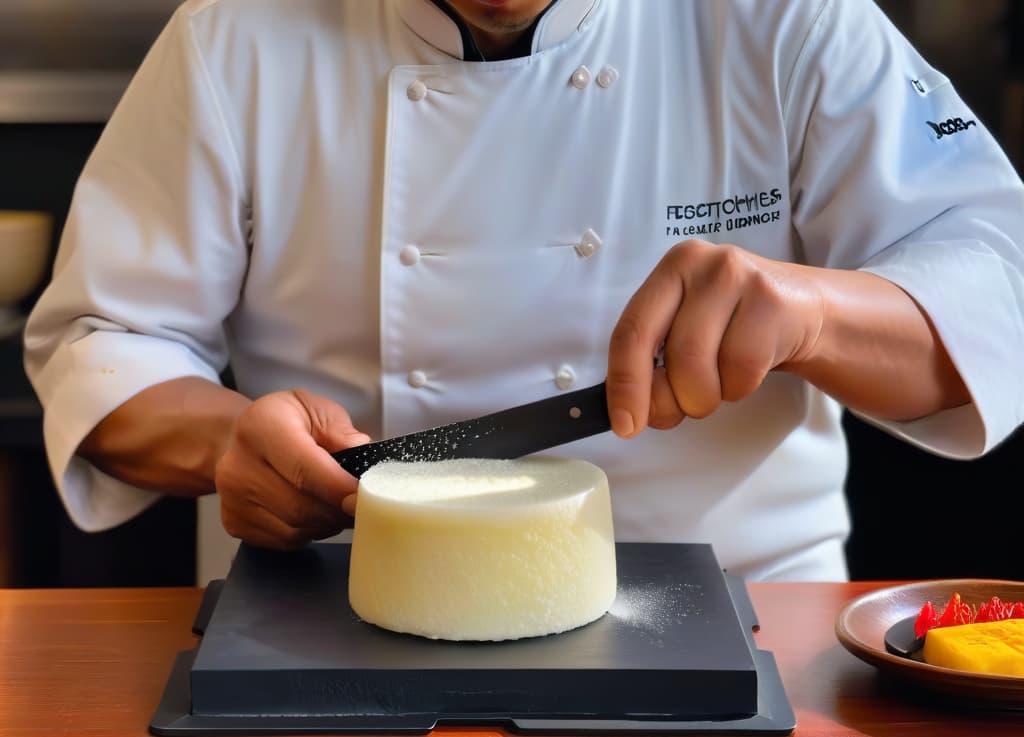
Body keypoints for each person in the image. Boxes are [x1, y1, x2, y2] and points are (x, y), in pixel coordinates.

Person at [23, 0, 1024, 581]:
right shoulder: (233, 34)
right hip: (338, 607)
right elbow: (103, 338)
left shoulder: (799, 22)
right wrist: (223, 442)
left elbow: (997, 265)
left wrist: (815, 315)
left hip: (745, 609)